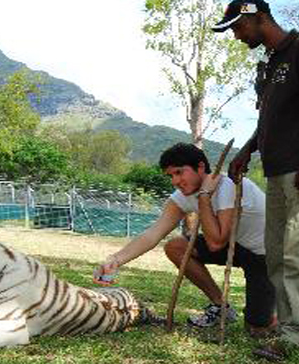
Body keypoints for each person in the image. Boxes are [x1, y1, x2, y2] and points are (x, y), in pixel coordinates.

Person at [212, 0, 299, 361]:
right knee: (278, 256)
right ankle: (287, 330)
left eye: (238, 26)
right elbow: (269, 119)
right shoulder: (269, 65)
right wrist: (248, 148)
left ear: (258, 18)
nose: (236, 35)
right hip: (276, 171)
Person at [93, 143, 275, 337]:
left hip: (264, 255)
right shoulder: (183, 195)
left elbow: (216, 242)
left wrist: (204, 197)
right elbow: (154, 233)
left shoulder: (229, 185)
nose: (175, 181)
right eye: (171, 176)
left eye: (179, 172)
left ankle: (278, 312)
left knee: (257, 328)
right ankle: (220, 306)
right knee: (176, 247)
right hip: (236, 246)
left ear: (201, 167)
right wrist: (116, 259)